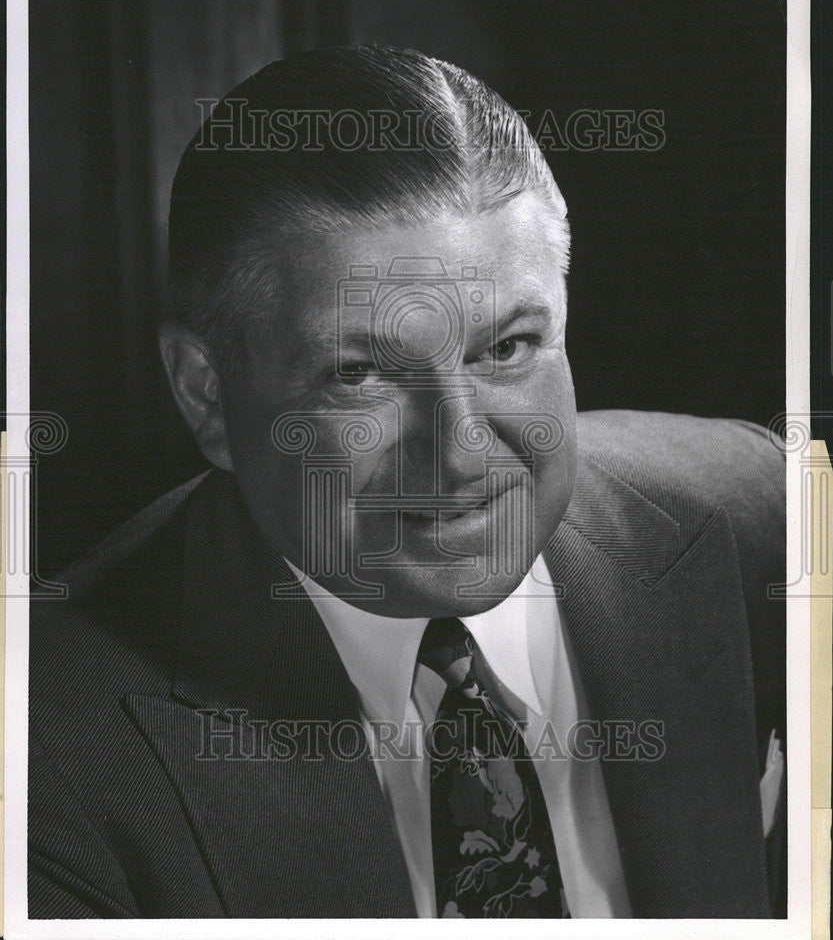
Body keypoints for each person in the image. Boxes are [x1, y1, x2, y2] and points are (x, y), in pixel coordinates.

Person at [28, 45, 786, 919]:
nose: (461, 453)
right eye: (360, 375)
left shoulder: (749, 514)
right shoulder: (49, 745)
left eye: (505, 349)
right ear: (205, 394)